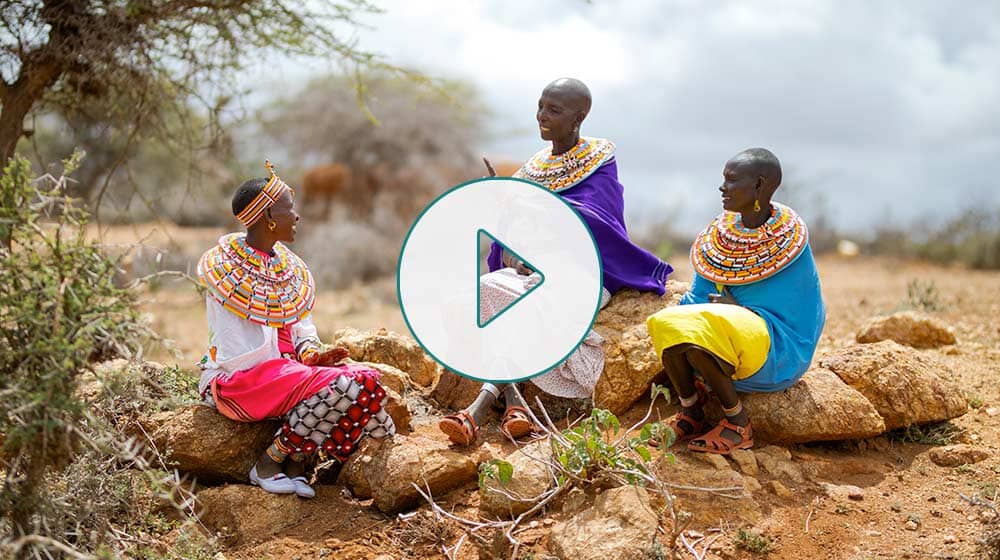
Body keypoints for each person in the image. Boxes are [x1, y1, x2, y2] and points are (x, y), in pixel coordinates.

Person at [438, 78, 673, 445]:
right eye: (541, 106)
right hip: (530, 272)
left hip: (582, 276)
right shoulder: (532, 167)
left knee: (525, 305)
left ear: (579, 117)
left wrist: (527, 204)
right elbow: (513, 233)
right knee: (485, 292)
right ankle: (515, 404)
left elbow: (597, 219)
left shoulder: (599, 161)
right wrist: (503, 205)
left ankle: (481, 405)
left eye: (554, 110)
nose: (542, 116)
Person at [196, 162, 395, 497]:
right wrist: (297, 370)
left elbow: (301, 326)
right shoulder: (226, 272)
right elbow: (236, 355)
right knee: (346, 385)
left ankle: (299, 462)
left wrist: (312, 354)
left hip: (286, 373)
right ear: (268, 216)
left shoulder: (288, 267)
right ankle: (269, 463)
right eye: (289, 207)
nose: (297, 215)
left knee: (370, 381)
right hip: (241, 379)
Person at [645, 148, 825, 455]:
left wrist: (737, 313)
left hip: (778, 349)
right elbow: (697, 297)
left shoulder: (789, 242)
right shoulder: (720, 236)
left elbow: (802, 316)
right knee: (667, 324)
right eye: (723, 179)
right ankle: (692, 412)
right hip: (731, 337)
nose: (722, 187)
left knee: (704, 335)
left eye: (732, 180)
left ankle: (738, 425)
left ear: (759, 186)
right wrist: (710, 314)